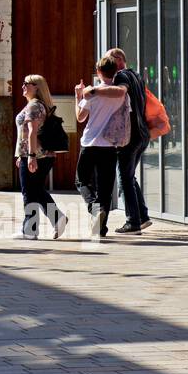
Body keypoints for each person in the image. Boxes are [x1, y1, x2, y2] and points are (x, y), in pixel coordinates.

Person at [76, 57, 133, 240]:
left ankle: (94, 208)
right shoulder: (121, 94)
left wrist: (78, 96)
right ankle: (101, 228)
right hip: (110, 145)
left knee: (81, 180)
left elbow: (80, 117)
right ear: (115, 71)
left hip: (90, 143)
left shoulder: (92, 93)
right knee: (106, 187)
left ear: (98, 72)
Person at [100, 47, 154, 234]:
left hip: (129, 136)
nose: (106, 65)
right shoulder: (136, 75)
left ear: (117, 60)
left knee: (124, 177)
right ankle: (143, 216)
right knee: (129, 176)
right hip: (142, 134)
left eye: (108, 60)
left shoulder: (122, 76)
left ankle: (133, 222)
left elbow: (121, 92)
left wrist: (94, 91)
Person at [15, 74, 68, 240]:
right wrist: (21, 155)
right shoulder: (38, 105)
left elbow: (32, 132)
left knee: (29, 193)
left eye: (27, 84)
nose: (23, 86)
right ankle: (57, 219)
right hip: (39, 155)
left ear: (36, 87)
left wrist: (30, 156)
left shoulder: (34, 106)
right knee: (36, 190)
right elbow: (25, 134)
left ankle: (30, 230)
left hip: (36, 155)